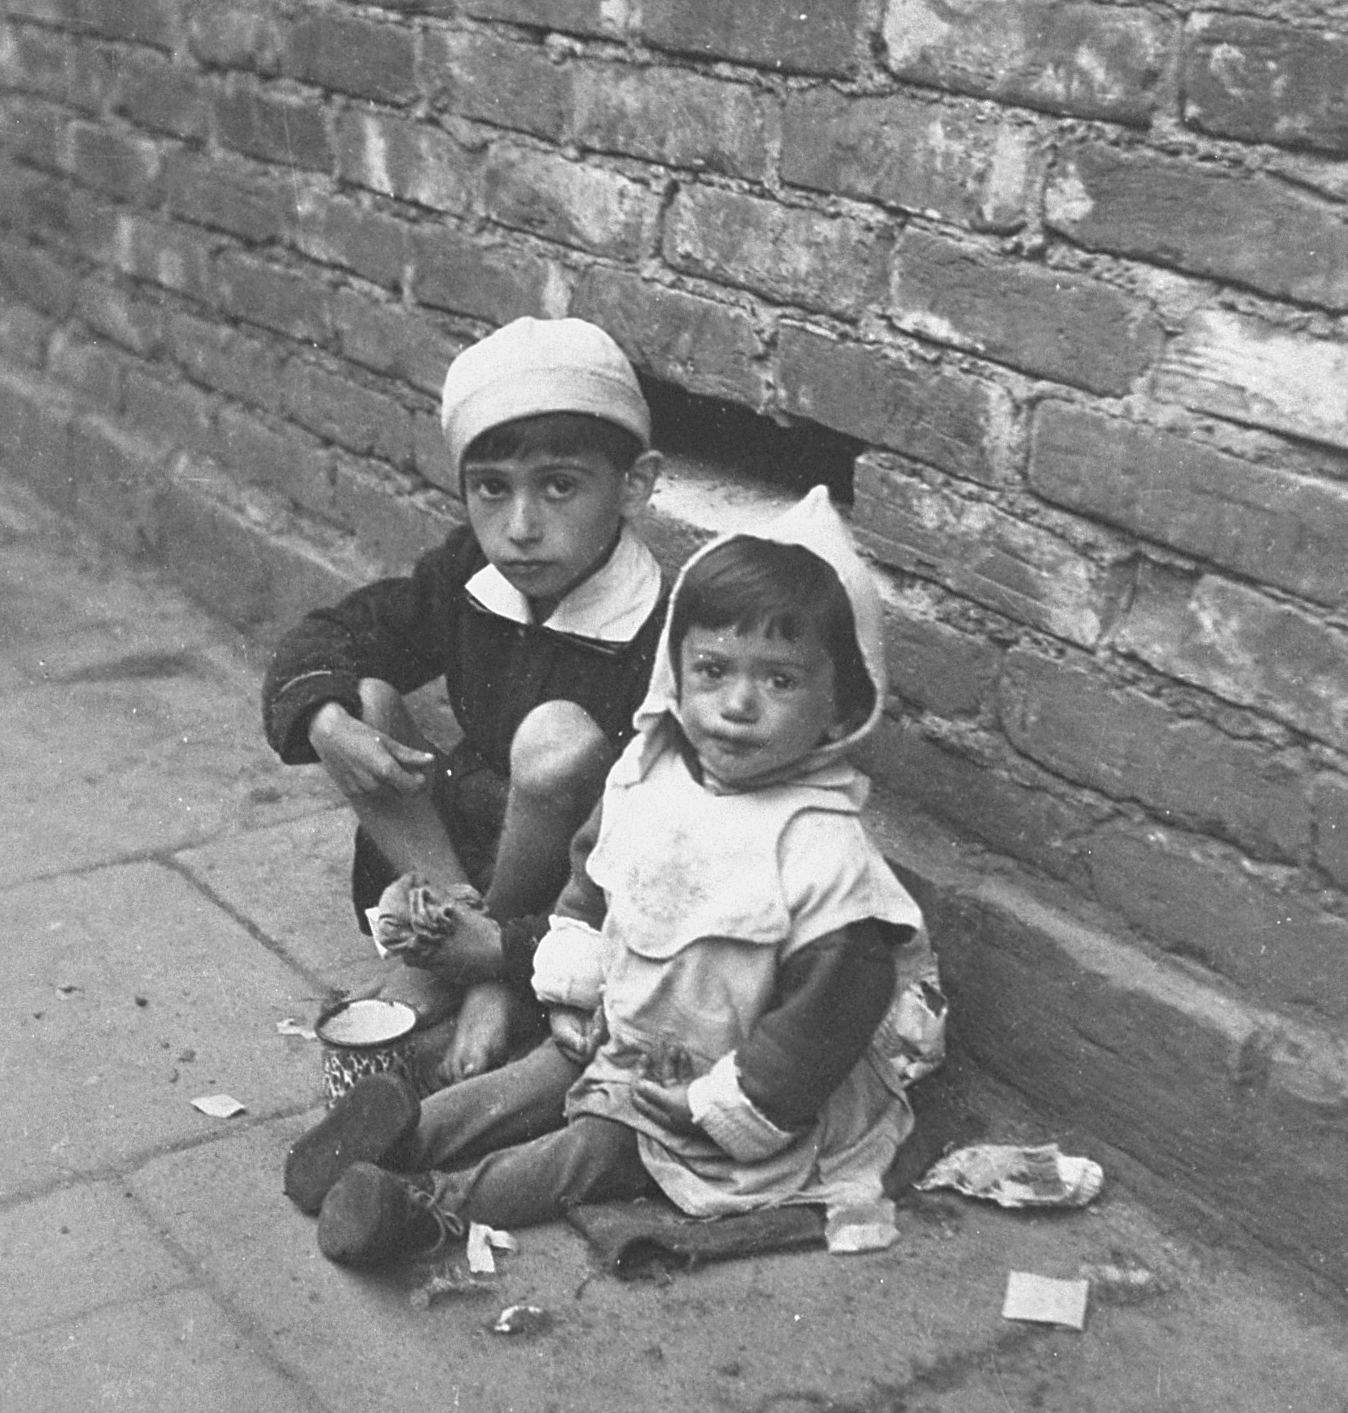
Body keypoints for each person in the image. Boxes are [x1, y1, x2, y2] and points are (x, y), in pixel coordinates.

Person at [284, 487, 949, 1267]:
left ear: (841, 707)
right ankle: (403, 1131)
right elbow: (591, 882)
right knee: (543, 1071)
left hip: (714, 1082)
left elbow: (821, 1025)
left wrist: (724, 1106)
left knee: (593, 1148)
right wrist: (571, 987)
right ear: (676, 674)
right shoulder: (651, 775)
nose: (736, 704)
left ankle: (428, 1207)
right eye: (711, 669)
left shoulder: (824, 860)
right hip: (627, 1025)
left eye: (779, 681)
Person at [262, 316, 666, 1086]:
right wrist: (326, 720)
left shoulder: (663, 630)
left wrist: (517, 951)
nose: (519, 528)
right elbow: (335, 634)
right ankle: (452, 945)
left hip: (569, 892)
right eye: (491, 489)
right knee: (366, 696)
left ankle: (486, 971)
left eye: (559, 486)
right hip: (460, 854)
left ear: (634, 485)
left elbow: (640, 844)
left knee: (558, 740)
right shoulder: (470, 573)